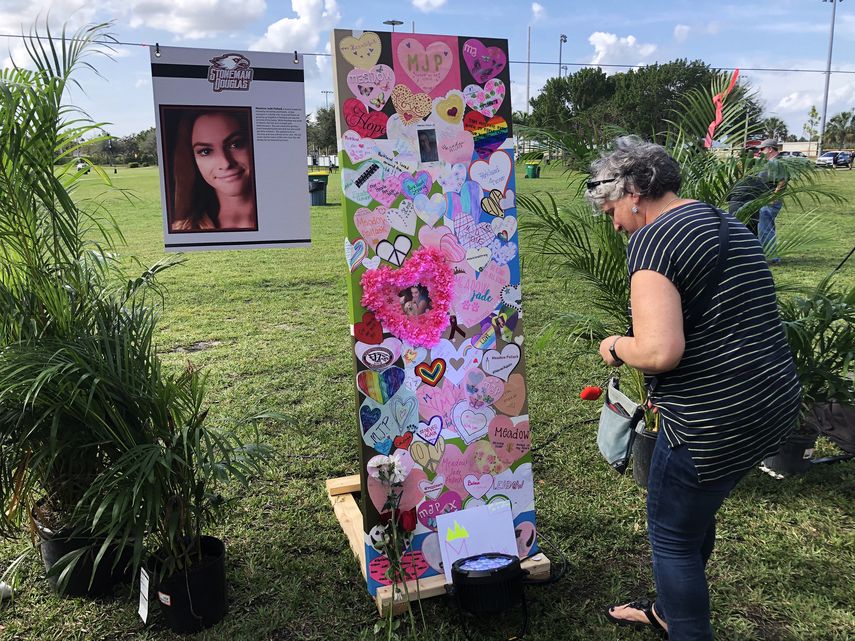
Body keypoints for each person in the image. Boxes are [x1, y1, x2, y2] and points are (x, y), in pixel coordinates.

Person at [586, 136, 801, 641]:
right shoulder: (724, 222)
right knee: (692, 516)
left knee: (672, 538)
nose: (613, 223)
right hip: (771, 401)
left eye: (611, 210)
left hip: (711, 420)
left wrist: (615, 346)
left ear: (633, 191)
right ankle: (666, 610)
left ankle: (684, 628)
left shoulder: (654, 241)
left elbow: (660, 351)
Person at [169, 109, 257, 232]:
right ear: (192, 160)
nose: (225, 163)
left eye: (235, 144)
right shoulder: (181, 230)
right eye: (206, 151)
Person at [756, 139, 787, 262]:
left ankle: (771, 257)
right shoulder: (770, 162)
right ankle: (765, 254)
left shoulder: (777, 162)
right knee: (765, 227)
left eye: (762, 149)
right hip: (764, 199)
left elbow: (783, 181)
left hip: (770, 200)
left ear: (770, 149)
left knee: (765, 229)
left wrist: (774, 197)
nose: (760, 151)